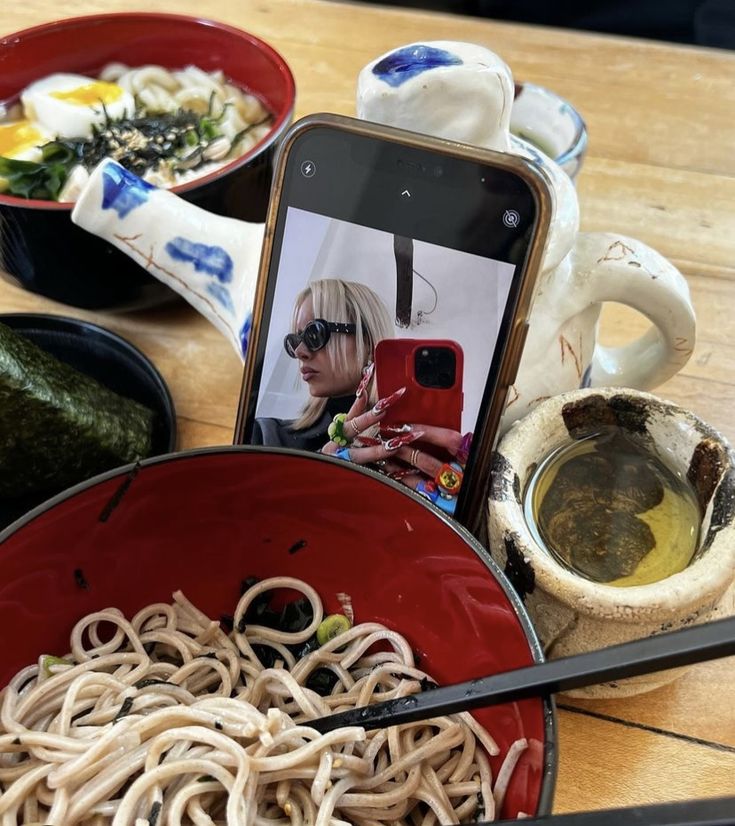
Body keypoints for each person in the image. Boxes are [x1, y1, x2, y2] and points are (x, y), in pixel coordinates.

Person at [253, 277, 472, 510]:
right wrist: (313, 476)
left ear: (367, 343)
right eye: (294, 340)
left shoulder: (412, 452)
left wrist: (462, 515)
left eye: (314, 334)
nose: (299, 351)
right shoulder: (266, 436)